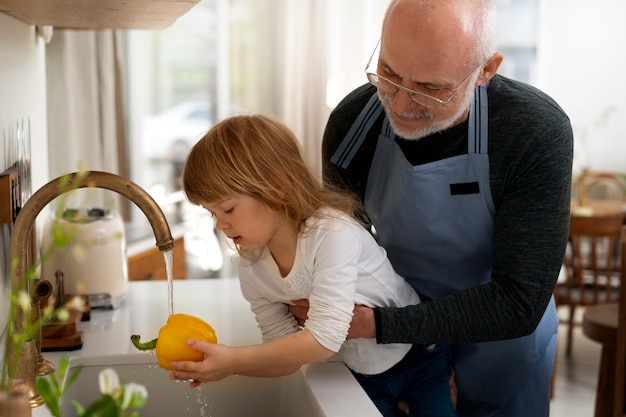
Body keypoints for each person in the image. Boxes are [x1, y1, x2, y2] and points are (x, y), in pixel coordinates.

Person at [290, 1, 573, 416]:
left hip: (500, 345)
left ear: (485, 71)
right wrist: (413, 364)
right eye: (388, 73)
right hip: (398, 344)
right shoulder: (354, 124)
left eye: (431, 87)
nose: (401, 106)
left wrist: (386, 329)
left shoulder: (534, 132)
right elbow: (340, 254)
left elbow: (518, 300)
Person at [172, 114, 457, 417]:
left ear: (277, 187)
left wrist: (234, 360)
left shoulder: (332, 233)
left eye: (227, 208)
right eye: (211, 213)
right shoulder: (252, 267)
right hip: (358, 371)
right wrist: (223, 368)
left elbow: (324, 339)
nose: (220, 224)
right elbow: (285, 356)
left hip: (418, 355)